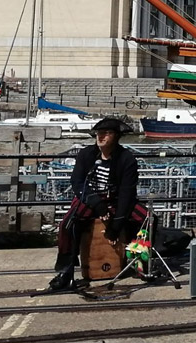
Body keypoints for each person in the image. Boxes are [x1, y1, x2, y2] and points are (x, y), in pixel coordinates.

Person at [50, 118, 146, 290]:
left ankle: (140, 262)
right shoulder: (86, 154)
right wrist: (96, 203)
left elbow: (127, 192)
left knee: (146, 219)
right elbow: (77, 182)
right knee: (67, 225)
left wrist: (117, 224)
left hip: (116, 200)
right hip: (90, 198)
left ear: (115, 136)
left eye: (106, 133)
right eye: (98, 133)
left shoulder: (127, 158)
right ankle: (66, 270)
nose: (100, 137)